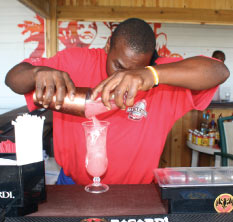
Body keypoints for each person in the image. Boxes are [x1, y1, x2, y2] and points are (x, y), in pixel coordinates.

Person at [5, 18, 229, 185]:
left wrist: (150, 75)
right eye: (118, 67)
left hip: (136, 193)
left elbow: (218, 70)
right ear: (108, 45)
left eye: (136, 70)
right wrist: (37, 73)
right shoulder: (73, 62)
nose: (122, 79)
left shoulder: (163, 78)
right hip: (71, 186)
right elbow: (13, 78)